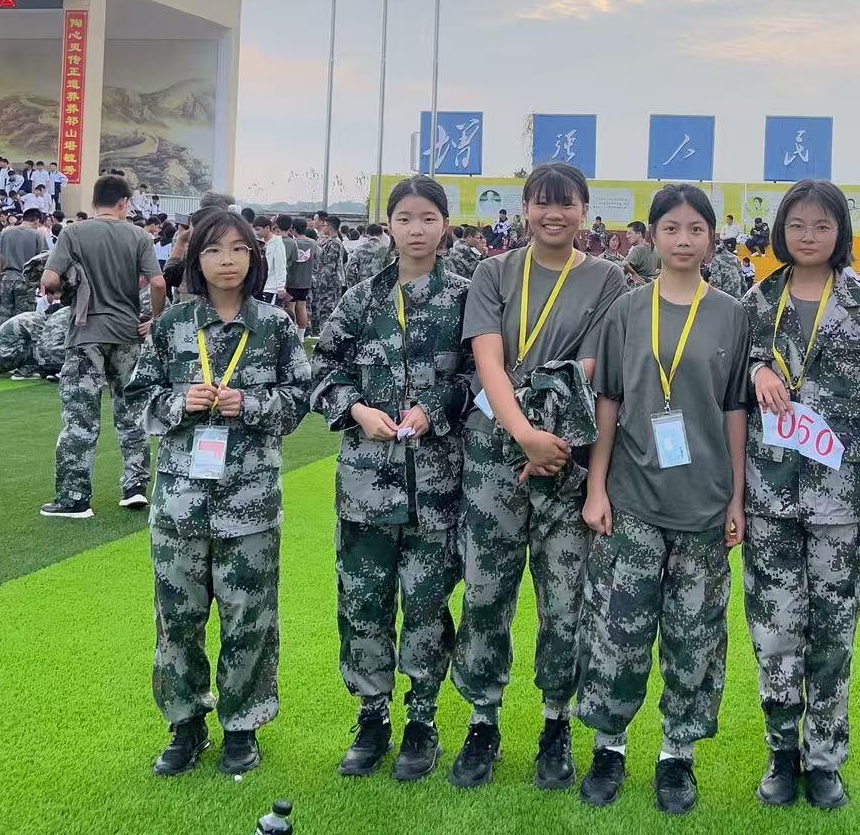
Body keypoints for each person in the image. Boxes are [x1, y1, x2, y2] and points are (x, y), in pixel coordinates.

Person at [744, 180, 860, 810]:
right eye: (796, 225)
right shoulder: (757, 301)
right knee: (775, 632)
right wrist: (756, 368)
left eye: (822, 226)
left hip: (839, 504)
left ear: (840, 233)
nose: (808, 236)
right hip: (769, 497)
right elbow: (729, 387)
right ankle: (781, 753)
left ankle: (824, 759)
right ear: (780, 230)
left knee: (833, 635)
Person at [449, 163, 629, 790]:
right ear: (524, 209)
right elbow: (488, 360)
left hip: (566, 454)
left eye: (567, 203)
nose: (554, 214)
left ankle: (556, 723)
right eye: (542, 203)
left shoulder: (607, 277)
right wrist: (522, 432)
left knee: (564, 600)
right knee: (485, 593)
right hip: (496, 452)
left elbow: (592, 365)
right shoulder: (494, 272)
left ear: (585, 210)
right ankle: (482, 720)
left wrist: (549, 439)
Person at [575, 185, 749, 815]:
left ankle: (678, 755)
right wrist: (596, 486)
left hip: (703, 503)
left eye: (695, 229)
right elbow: (609, 403)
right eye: (670, 228)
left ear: (712, 239)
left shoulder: (731, 314)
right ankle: (610, 746)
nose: (682, 240)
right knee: (618, 629)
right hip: (632, 500)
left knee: (694, 635)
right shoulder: (626, 310)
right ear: (651, 236)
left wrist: (736, 497)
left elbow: (734, 409)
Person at [123, 208, 310, 778]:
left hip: (250, 503)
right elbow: (138, 400)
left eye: (238, 249)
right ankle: (185, 724)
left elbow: (300, 400)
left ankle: (242, 726)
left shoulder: (275, 326)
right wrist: (180, 403)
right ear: (195, 260)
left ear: (254, 257)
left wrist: (251, 405)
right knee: (177, 620)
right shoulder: (174, 326)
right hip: (179, 503)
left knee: (249, 618)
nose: (226, 261)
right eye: (213, 250)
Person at [312, 176, 474, 782]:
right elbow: (322, 368)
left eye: (428, 218)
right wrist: (355, 409)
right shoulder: (362, 299)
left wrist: (436, 408)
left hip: (437, 486)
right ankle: (372, 717)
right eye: (405, 218)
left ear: (444, 224)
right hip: (366, 485)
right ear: (389, 225)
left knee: (428, 606)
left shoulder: (465, 297)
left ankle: (422, 720)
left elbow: (482, 377)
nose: (416, 230)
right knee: (363, 603)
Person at [39, 175, 168, 519]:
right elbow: (158, 282)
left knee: (81, 419)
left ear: (95, 201)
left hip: (86, 334)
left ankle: (74, 498)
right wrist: (155, 319)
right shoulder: (139, 236)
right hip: (127, 334)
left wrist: (61, 288)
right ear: (124, 203)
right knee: (132, 415)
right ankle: (135, 487)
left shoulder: (73, 233)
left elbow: (49, 279)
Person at [0, 208, 49, 323]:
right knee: (24, 319)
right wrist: (41, 283)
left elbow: (0, 257)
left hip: (7, 278)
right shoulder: (38, 235)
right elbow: (42, 260)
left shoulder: (6, 232)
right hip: (26, 281)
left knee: (4, 317)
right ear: (37, 221)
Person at [624, 221, 659, 286]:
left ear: (639, 233)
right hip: (650, 285)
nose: (627, 236)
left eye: (630, 233)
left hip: (637, 286)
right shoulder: (653, 249)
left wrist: (634, 274)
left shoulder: (638, 248)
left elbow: (625, 263)